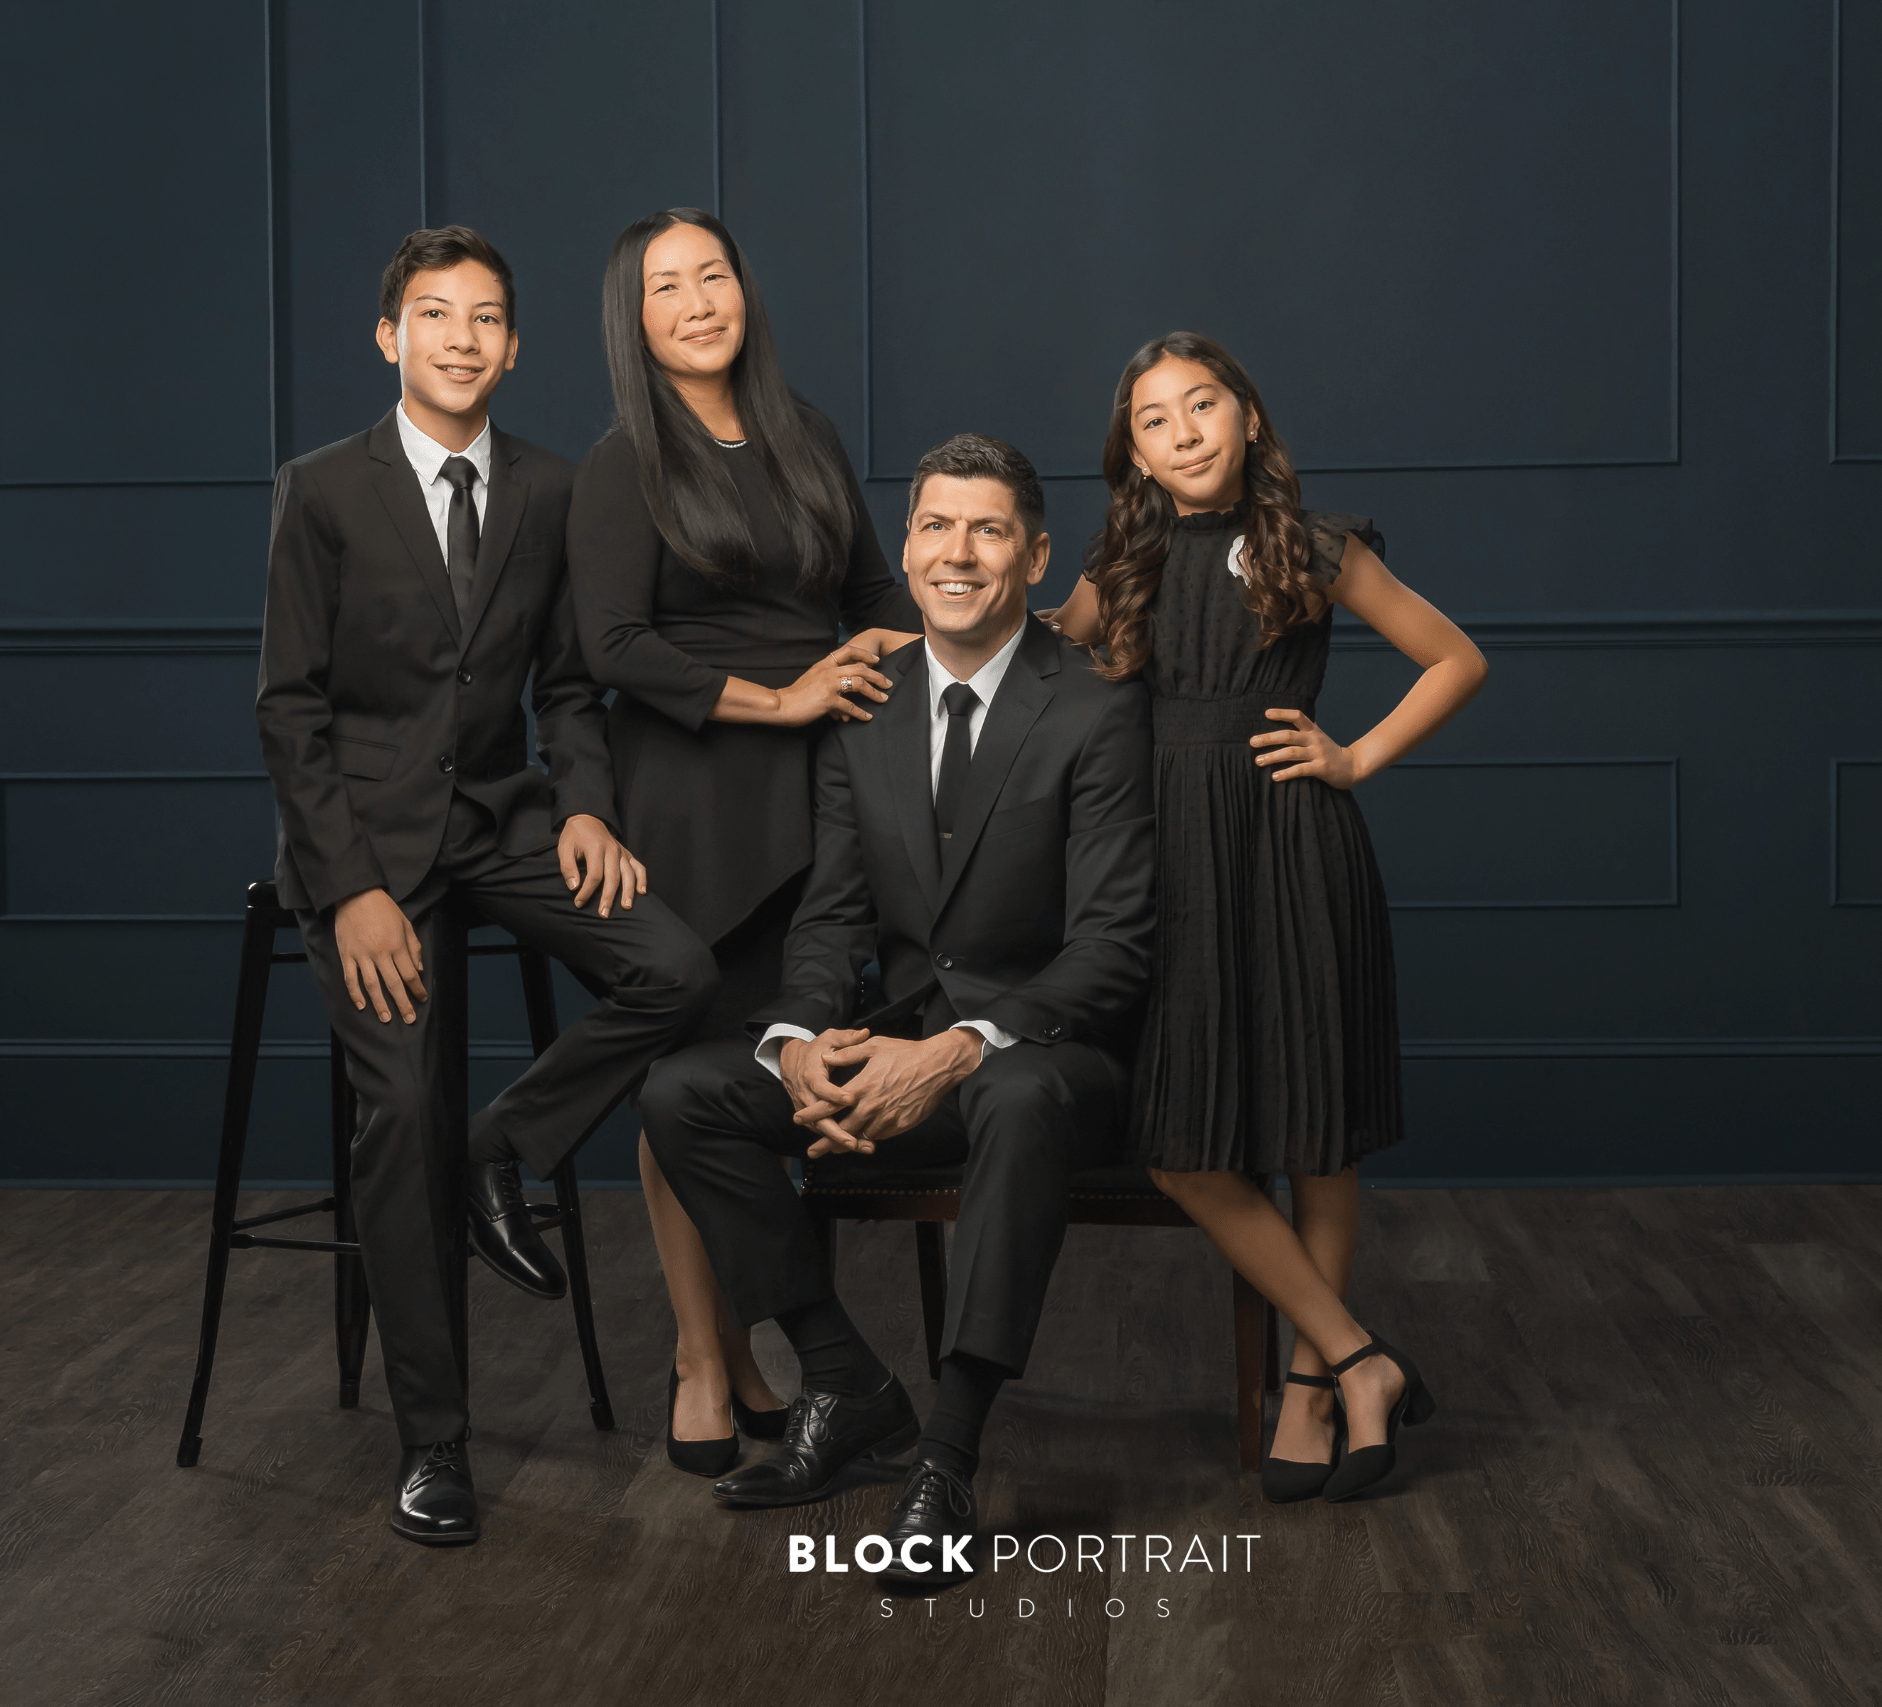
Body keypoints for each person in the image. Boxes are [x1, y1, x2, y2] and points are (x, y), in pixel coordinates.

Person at [257, 226, 720, 1547]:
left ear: (515, 347)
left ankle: (499, 1147)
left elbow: (571, 686)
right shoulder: (321, 490)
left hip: (501, 818)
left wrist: (582, 805)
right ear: (388, 336)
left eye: (487, 319)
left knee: (675, 967)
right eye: (433, 314)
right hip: (362, 842)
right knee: (400, 1103)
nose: (462, 338)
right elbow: (287, 709)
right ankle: (435, 1442)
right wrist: (348, 887)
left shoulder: (553, 489)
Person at [640, 434, 1153, 1589]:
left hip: (1052, 1067)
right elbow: (832, 916)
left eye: (984, 530)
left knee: (1014, 1094)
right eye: (932, 527)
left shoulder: (1095, 711)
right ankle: (846, 1382)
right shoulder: (862, 708)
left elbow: (1113, 949)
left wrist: (958, 1048)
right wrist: (802, 1040)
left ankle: (948, 1457)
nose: (954, 553)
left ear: (1032, 556)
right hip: (895, 1056)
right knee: (684, 1091)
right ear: (908, 547)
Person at [1048, 330, 1489, 1502]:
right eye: (1154, 417)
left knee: (1312, 1123)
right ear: (1132, 453)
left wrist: (1353, 759)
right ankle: (1361, 1358)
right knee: (1184, 1145)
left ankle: (1307, 1385)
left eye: (1203, 404)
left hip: (1292, 848)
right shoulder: (1122, 560)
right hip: (1169, 859)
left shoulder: (1311, 547)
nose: (1184, 430)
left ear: (1248, 418)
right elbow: (1039, 653)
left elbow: (1454, 659)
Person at [567, 208, 919, 1477]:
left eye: (712, 274)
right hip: (693, 806)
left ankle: (784, 1348)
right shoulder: (624, 464)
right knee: (689, 1089)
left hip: (823, 798)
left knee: (775, 1082)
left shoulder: (807, 433)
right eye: (666, 286)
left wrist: (974, 628)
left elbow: (877, 597)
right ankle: (706, 1355)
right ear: (636, 318)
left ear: (743, 292)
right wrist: (785, 697)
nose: (697, 300)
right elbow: (610, 647)